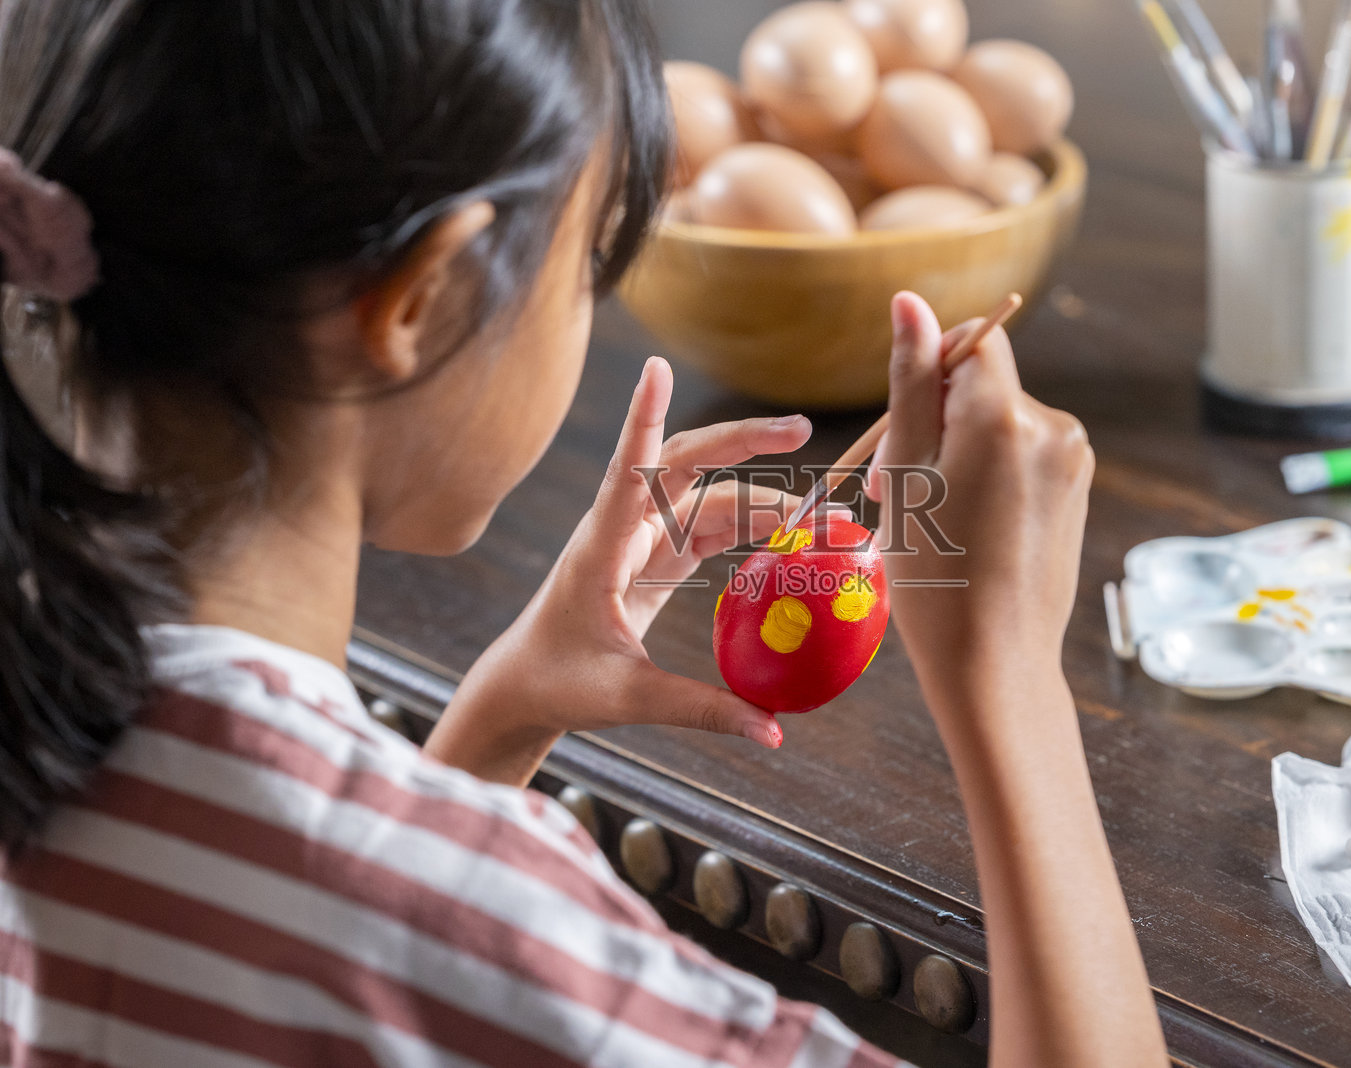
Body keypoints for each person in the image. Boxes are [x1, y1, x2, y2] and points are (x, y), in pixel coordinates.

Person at [0, 1, 1166, 1065]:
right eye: (591, 262)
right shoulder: (520, 950)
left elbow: (296, 925)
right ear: (424, 299)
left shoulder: (55, 707)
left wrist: (504, 716)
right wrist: (1011, 684)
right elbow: (399, 918)